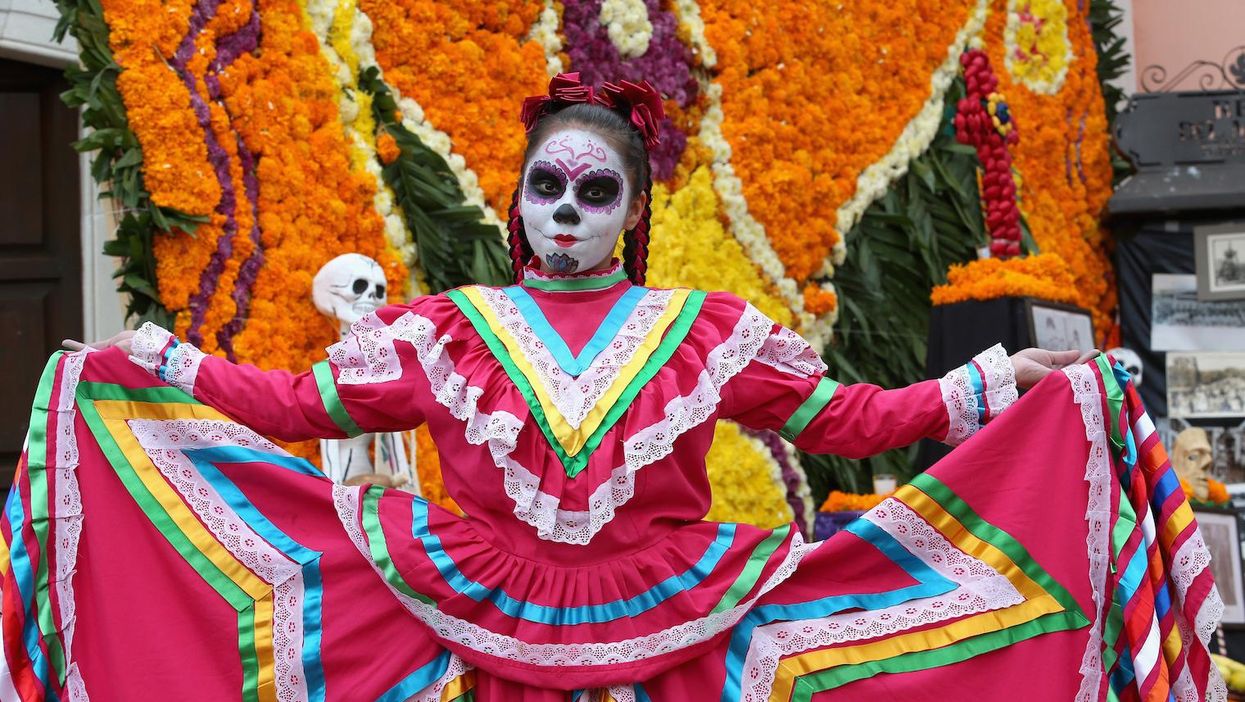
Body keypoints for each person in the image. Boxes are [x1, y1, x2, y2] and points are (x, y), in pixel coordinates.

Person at [32, 74, 1148, 701]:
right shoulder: (446, 330)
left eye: (594, 189)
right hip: (471, 622)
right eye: (546, 187)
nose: (566, 210)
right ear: (515, 204)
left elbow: (852, 423)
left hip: (680, 634)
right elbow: (294, 409)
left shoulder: (702, 330)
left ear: (631, 212)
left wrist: (1002, 379)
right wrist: (162, 362)